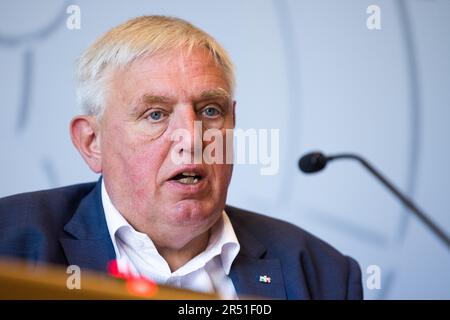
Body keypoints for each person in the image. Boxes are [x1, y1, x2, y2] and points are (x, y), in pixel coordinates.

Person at [0, 15, 362, 299]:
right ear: (92, 142)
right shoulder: (12, 245)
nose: (192, 138)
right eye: (155, 114)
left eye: (209, 111)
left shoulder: (322, 274)